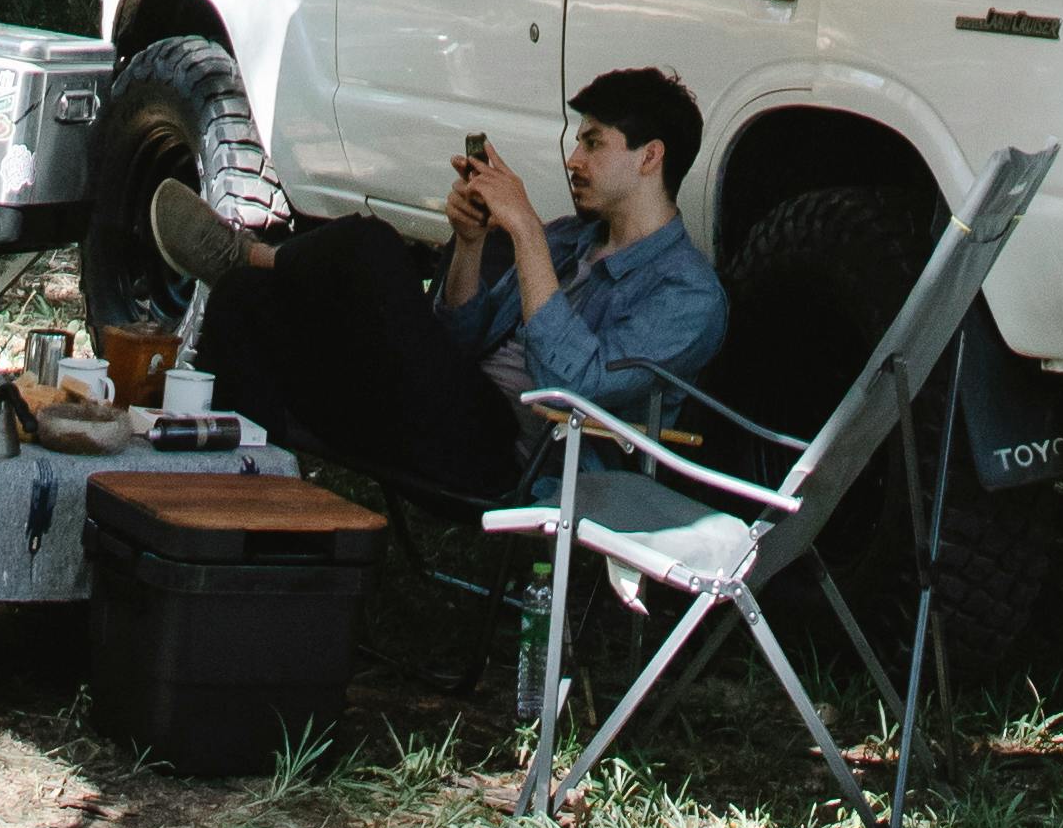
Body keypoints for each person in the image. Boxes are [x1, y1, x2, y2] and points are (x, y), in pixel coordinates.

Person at [149, 69, 726, 511]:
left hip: (510, 460)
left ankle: (242, 252)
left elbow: (571, 393)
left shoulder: (686, 295)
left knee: (371, 246)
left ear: (651, 157)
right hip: (439, 411)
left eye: (594, 143)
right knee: (248, 300)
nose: (573, 159)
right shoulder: (571, 240)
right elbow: (456, 338)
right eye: (577, 142)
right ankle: (207, 507)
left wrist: (522, 229)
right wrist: (470, 245)